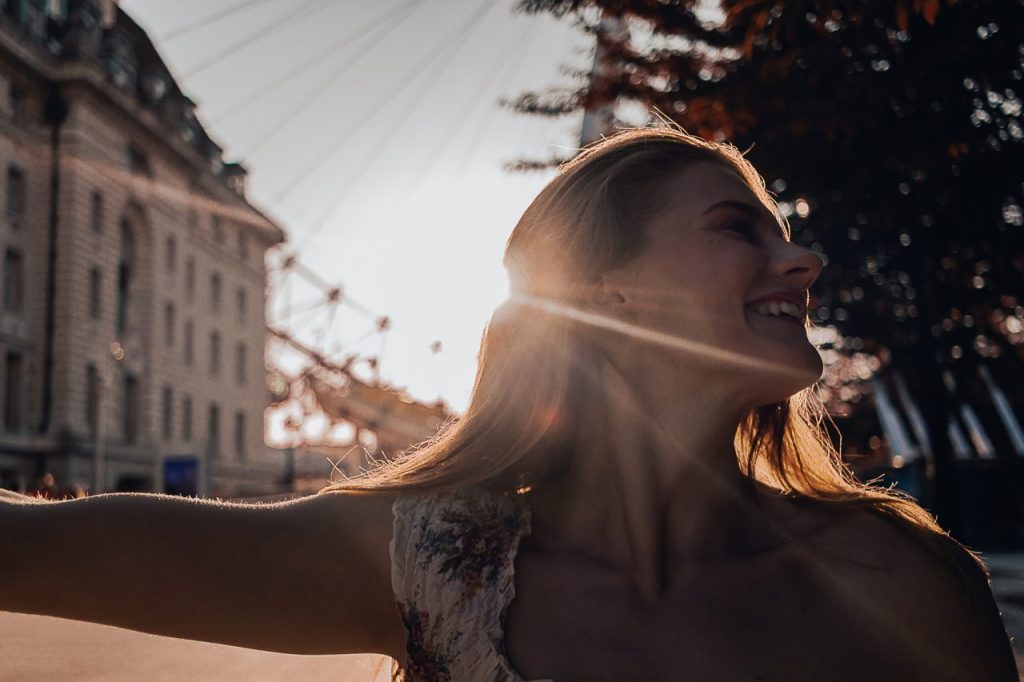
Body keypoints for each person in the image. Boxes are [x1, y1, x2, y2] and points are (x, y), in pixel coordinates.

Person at [0, 127, 1017, 681]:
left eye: (781, 230)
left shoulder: (906, 576)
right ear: (598, 288)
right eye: (736, 228)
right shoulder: (428, 567)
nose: (803, 256)